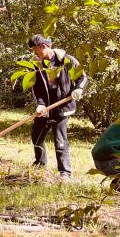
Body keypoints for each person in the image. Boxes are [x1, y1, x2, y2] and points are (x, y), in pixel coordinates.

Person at [27, 34, 87, 179]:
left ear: (43, 47)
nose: (35, 53)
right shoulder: (37, 65)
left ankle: (65, 173)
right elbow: (37, 88)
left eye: (35, 50)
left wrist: (78, 89)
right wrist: (40, 104)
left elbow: (83, 77)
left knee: (60, 140)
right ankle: (40, 165)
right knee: (37, 136)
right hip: (45, 107)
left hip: (62, 106)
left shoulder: (67, 60)